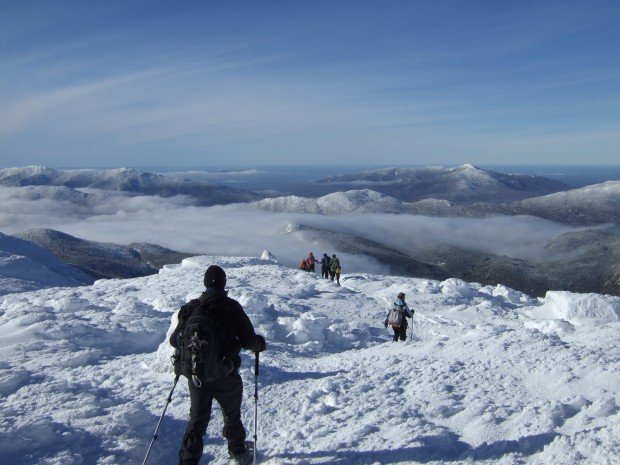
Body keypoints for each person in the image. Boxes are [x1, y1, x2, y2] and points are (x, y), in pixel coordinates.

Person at [171, 265, 266, 465]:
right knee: (232, 415)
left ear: (205, 283)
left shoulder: (190, 308)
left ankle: (187, 461)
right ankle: (238, 452)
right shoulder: (231, 307)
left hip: (197, 374)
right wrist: (260, 344)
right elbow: (249, 340)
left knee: (197, 421)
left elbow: (174, 340)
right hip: (225, 373)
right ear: (224, 283)